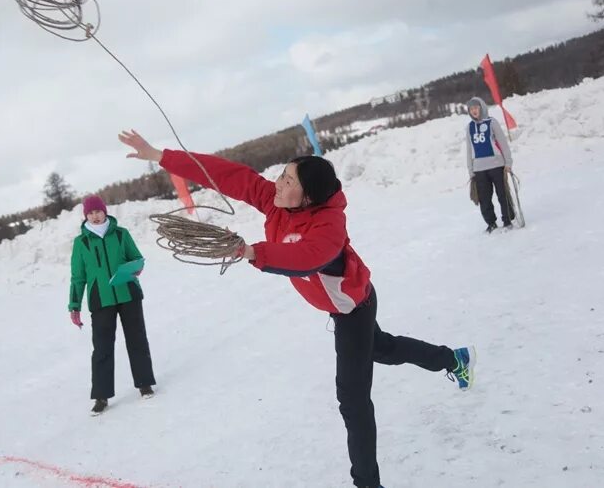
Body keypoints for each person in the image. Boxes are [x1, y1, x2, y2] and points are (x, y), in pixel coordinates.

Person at [118, 130, 475, 488]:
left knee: (352, 400)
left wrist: (253, 251)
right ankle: (454, 359)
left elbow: (307, 257)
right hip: (343, 307)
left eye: (289, 180)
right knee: (382, 348)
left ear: (308, 197)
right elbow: (229, 175)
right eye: (282, 174)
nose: (278, 183)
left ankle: (368, 483)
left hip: (354, 309)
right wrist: (159, 155)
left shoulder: (328, 225)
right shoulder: (277, 201)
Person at [68, 195, 156, 415]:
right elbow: (77, 277)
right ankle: (101, 396)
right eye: (91, 213)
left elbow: (136, 257)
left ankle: (144, 383)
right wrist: (74, 305)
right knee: (102, 348)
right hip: (101, 299)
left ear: (105, 211)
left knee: (137, 340)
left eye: (98, 211)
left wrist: (136, 268)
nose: (95, 216)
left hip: (128, 293)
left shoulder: (120, 233)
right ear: (85, 216)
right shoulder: (82, 243)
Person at [465, 96, 514, 233]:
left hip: (496, 165)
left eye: (476, 108)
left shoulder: (492, 122)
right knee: (484, 198)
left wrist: (508, 162)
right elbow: (469, 150)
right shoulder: (469, 128)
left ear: (482, 107)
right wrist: (471, 170)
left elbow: (503, 144)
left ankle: (507, 219)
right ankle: (491, 222)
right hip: (479, 168)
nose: (474, 111)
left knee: (502, 194)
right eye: (471, 109)